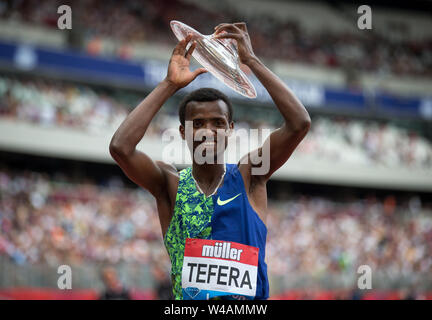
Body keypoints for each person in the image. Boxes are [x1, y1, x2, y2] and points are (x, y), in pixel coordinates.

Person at [109, 22, 311, 300]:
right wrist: (168, 85)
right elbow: (121, 148)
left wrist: (251, 61)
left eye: (217, 123)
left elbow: (299, 123)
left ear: (230, 129)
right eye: (198, 123)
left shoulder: (250, 175)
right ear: (183, 132)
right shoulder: (169, 184)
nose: (207, 130)